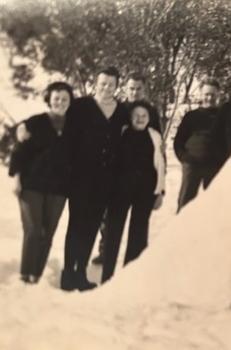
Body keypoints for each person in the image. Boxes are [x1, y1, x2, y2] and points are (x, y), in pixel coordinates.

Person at [60, 67, 130, 291]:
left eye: (111, 84)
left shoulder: (121, 111)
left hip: (105, 181)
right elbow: (67, 140)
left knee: (91, 227)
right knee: (76, 225)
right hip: (80, 179)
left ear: (117, 86)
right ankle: (67, 273)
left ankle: (81, 273)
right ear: (95, 83)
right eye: (102, 83)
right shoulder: (80, 106)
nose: (106, 88)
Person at [91, 72, 163, 265]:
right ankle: (105, 252)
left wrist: (160, 187)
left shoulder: (151, 112)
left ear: (145, 90)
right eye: (131, 88)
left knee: (139, 225)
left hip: (143, 177)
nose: (135, 92)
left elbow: (158, 147)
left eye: (139, 88)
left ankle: (135, 262)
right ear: (125, 89)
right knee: (110, 221)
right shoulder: (120, 109)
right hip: (118, 175)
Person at [8, 82, 74, 284]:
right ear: (49, 100)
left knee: (49, 231)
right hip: (32, 185)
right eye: (56, 98)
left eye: (64, 99)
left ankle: (36, 275)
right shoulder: (36, 122)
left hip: (59, 188)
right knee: (33, 230)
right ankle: (24, 274)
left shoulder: (75, 126)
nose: (60, 102)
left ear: (70, 102)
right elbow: (18, 149)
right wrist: (16, 179)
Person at [101, 101, 165, 283]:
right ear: (130, 117)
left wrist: (160, 191)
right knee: (113, 233)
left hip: (145, 192)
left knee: (138, 234)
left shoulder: (154, 136)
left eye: (144, 116)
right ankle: (107, 277)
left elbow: (160, 165)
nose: (140, 119)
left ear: (149, 118)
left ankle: (130, 279)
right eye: (136, 115)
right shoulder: (121, 133)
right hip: (119, 192)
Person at [173, 78, 224, 212]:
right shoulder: (191, 116)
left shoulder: (224, 115)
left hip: (215, 167)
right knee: (185, 205)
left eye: (213, 94)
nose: (209, 97)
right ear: (201, 95)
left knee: (215, 207)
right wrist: (185, 159)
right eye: (206, 94)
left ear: (219, 94)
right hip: (192, 166)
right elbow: (178, 141)